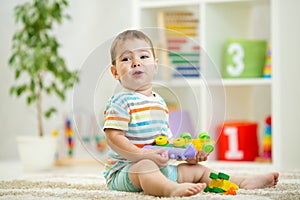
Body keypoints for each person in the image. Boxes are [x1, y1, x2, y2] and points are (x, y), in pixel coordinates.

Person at [103, 29, 279, 197]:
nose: (136, 62)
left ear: (155, 65)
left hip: (160, 167)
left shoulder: (160, 103)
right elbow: (113, 137)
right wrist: (141, 155)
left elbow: (163, 142)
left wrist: (187, 154)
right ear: (115, 72)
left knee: (197, 171)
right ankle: (170, 189)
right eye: (126, 58)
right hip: (126, 170)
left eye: (143, 56)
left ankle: (242, 181)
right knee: (145, 166)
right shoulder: (120, 102)